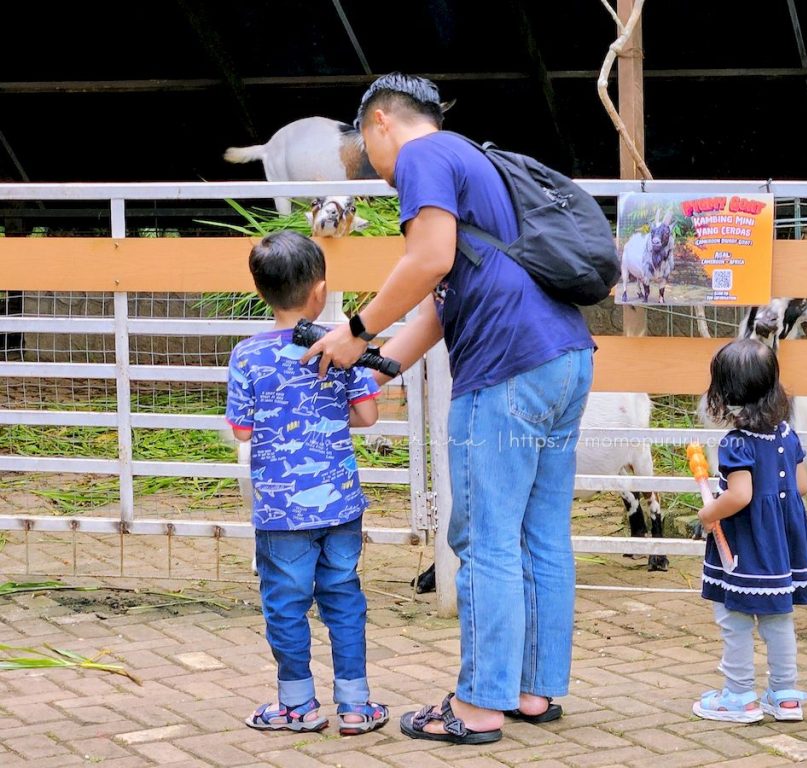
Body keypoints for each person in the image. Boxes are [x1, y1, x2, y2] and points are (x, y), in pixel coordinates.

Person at [301, 73, 595, 744]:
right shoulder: (476, 158)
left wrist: (356, 327)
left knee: (486, 537)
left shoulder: (422, 157)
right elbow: (450, 291)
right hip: (564, 357)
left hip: (507, 372)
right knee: (541, 533)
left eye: (362, 146)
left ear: (380, 123)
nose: (373, 170)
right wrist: (386, 361)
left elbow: (428, 260)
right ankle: (532, 691)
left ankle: (477, 706)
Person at [226, 230, 389, 736]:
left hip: (281, 511)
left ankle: (297, 704)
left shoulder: (247, 355)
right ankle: (357, 704)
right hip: (340, 503)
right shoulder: (340, 346)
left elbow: (241, 429)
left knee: (286, 602)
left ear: (259, 290)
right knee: (343, 594)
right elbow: (368, 414)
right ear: (320, 290)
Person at [693, 338, 807, 723]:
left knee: (734, 618)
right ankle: (784, 696)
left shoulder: (736, 443)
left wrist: (708, 512)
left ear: (726, 393)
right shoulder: (787, 435)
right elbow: (802, 487)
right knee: (777, 618)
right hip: (780, 547)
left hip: (745, 546)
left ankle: (739, 696)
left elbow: (741, 495)